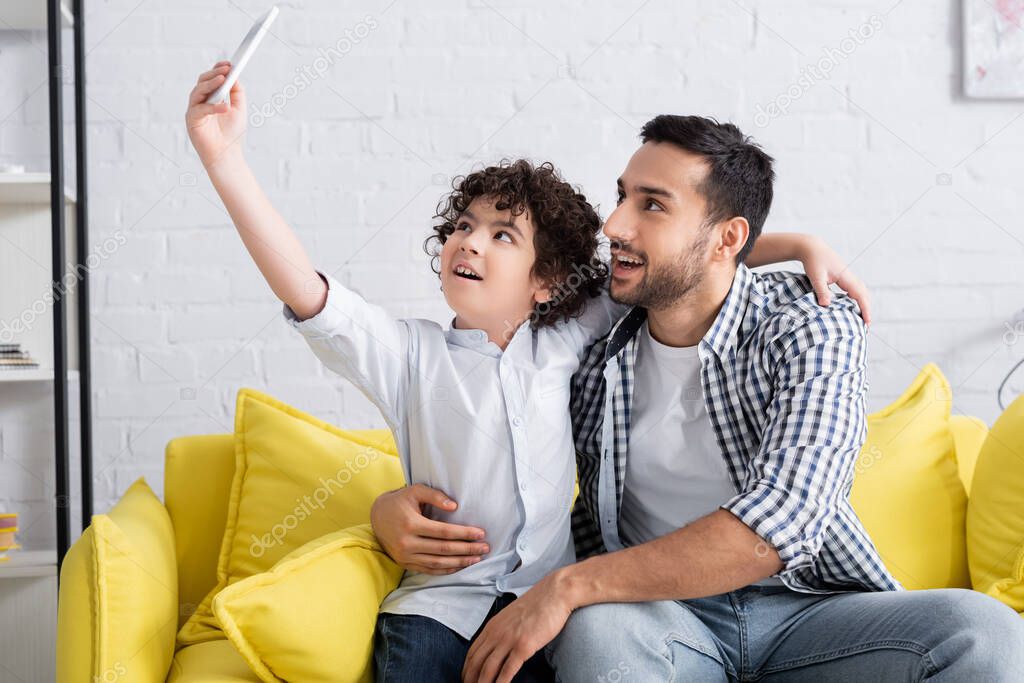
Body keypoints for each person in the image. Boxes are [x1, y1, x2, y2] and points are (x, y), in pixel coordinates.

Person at [186, 67, 868, 681]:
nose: (470, 240)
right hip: (437, 610)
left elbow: (673, 267)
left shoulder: (573, 333)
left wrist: (792, 243)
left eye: (502, 233)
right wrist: (225, 160)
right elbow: (306, 288)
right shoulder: (407, 355)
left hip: (548, 607)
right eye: (462, 226)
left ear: (547, 281)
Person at [372, 115, 1024, 683]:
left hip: (810, 613)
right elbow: (488, 426)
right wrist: (385, 509)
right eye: (623, 196)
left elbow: (782, 521)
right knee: (597, 635)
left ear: (727, 239)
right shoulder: (590, 341)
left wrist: (570, 585)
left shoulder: (810, 323)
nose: (616, 224)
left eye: (651, 205)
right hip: (659, 619)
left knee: (986, 633)